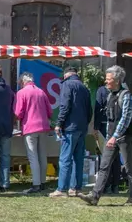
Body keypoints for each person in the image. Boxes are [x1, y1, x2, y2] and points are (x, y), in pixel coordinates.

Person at [79, 66, 132, 206]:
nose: (106, 82)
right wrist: (108, 136)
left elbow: (125, 118)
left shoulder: (127, 96)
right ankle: (94, 196)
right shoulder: (110, 95)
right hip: (112, 137)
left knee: (129, 167)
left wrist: (115, 136)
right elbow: (110, 119)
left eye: (108, 79)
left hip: (125, 138)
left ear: (117, 80)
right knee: (104, 166)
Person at [49, 67, 92, 198]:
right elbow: (90, 110)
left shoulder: (67, 84)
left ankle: (62, 189)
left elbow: (64, 106)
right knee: (78, 159)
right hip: (82, 127)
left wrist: (59, 123)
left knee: (65, 159)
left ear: (66, 75)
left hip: (70, 127)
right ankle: (76, 188)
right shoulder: (84, 87)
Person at [15, 72, 53, 194]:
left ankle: (36, 184)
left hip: (30, 127)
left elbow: (18, 113)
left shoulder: (21, 93)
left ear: (22, 82)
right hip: (43, 127)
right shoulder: (41, 92)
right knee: (42, 156)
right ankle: (42, 183)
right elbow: (50, 112)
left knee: (33, 156)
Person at [94, 82, 121, 194]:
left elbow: (98, 108)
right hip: (118, 126)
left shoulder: (101, 91)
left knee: (106, 155)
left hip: (105, 126)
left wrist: (95, 127)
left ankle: (106, 184)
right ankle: (116, 185)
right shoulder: (122, 90)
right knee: (116, 157)